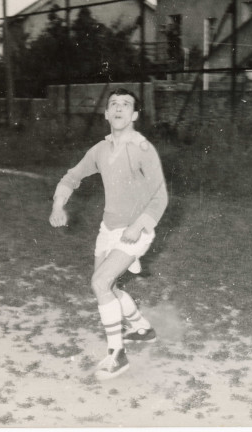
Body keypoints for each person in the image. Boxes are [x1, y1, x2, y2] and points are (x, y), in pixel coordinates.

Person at [49, 88, 168, 380]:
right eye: (113, 104)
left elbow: (160, 196)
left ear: (135, 115)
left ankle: (117, 354)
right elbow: (72, 176)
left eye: (125, 105)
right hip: (108, 229)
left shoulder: (142, 148)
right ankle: (142, 328)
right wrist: (58, 204)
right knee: (108, 288)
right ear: (106, 113)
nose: (118, 108)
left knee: (100, 282)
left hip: (136, 231)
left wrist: (138, 225)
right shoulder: (100, 150)